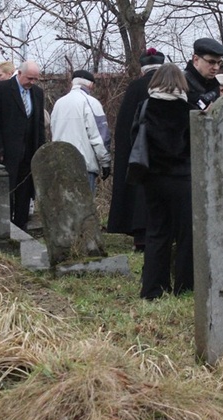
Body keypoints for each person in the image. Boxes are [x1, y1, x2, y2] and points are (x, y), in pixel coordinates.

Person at [134, 63, 197, 300]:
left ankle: (153, 289)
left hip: (153, 179)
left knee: (157, 233)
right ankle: (185, 286)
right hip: (182, 179)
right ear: (181, 83)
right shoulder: (188, 110)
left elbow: (135, 139)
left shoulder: (145, 107)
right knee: (185, 236)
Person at [108, 48, 165, 251]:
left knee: (138, 195)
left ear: (143, 70)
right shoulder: (169, 86)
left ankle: (140, 237)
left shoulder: (135, 87)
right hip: (162, 153)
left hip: (138, 153)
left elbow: (123, 127)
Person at [0, 60, 46, 230]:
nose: (32, 82)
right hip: (7, 151)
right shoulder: (1, 89)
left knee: (25, 191)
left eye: (35, 79)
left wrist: (40, 150)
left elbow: (39, 124)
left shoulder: (37, 93)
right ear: (19, 74)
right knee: (7, 189)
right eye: (29, 78)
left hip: (29, 151)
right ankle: (6, 227)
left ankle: (21, 225)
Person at [50, 69, 111, 194]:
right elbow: (99, 137)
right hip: (83, 165)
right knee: (84, 210)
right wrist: (105, 162)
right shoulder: (91, 102)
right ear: (90, 84)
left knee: (64, 208)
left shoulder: (58, 103)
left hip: (60, 165)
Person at [184, 38, 223, 109]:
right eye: (211, 62)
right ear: (196, 59)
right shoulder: (179, 83)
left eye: (219, 63)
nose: (216, 67)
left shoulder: (215, 86)